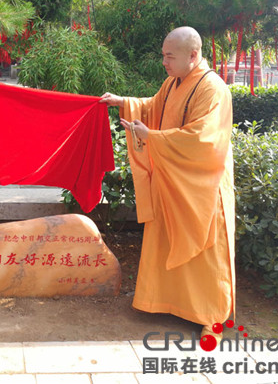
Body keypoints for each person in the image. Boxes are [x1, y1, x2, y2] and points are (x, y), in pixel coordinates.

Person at [100, 26, 235, 341]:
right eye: (163, 55)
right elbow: (153, 108)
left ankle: (211, 317)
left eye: (169, 56)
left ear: (193, 54)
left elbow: (203, 140)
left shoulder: (213, 88)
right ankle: (167, 302)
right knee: (166, 239)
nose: (164, 62)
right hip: (174, 179)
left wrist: (152, 137)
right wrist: (123, 101)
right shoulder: (173, 82)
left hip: (202, 184)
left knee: (206, 254)